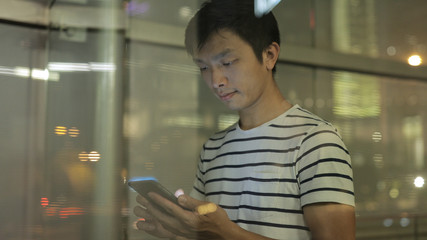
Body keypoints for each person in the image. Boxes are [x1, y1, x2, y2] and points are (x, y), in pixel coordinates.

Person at [134, 0, 355, 239]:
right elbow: (209, 233)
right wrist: (179, 232)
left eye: (227, 63)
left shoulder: (316, 142)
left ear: (269, 55)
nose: (216, 80)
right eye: (204, 68)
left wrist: (228, 232)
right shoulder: (213, 149)